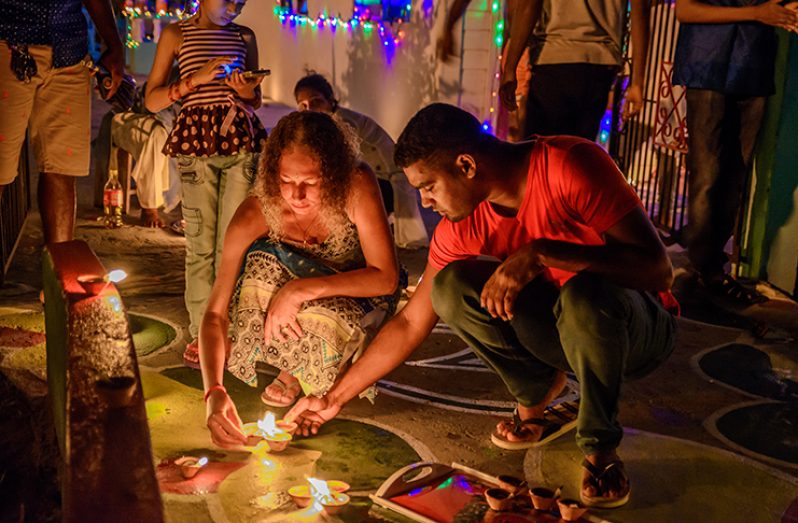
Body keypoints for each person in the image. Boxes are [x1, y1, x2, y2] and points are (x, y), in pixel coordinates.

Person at [286, 104, 678, 509]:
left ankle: (600, 448)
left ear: (467, 165)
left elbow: (658, 271)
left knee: (583, 294)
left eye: (429, 186)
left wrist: (543, 253)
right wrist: (333, 398)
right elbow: (410, 323)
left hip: (635, 333)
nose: (425, 202)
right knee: (451, 287)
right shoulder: (461, 225)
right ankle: (536, 396)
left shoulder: (569, 165)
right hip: (568, 334)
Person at [200, 111, 400, 447]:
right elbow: (215, 313)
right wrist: (214, 392)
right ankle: (291, 366)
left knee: (322, 312)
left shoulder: (356, 186)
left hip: (354, 296)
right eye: (286, 181)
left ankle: (309, 378)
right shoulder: (256, 211)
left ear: (334, 175)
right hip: (289, 299)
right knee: (258, 269)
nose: (297, 195)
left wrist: (299, 290)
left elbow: (386, 278)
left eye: (311, 182)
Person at [144, 0, 268, 367]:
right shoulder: (176, 34)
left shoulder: (243, 36)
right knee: (201, 245)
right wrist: (194, 81)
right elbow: (151, 99)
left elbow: (256, 101)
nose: (234, 6)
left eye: (241, 1)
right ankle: (202, 329)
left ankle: (227, 326)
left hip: (240, 144)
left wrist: (246, 90)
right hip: (196, 147)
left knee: (234, 246)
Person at [673, 0, 798, 306]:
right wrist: (757, 13)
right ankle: (702, 268)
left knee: (735, 177)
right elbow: (684, 10)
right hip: (707, 63)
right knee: (707, 174)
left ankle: (710, 269)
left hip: (753, 66)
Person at [0, 0, 125, 244]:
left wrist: (115, 45)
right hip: (8, 44)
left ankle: (57, 274)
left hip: (68, 53)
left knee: (63, 170)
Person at [294, 73, 429, 249]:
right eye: (303, 106)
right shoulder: (324, 123)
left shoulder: (343, 121)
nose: (310, 109)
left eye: (316, 101)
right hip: (375, 174)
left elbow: (340, 161)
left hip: (388, 180)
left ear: (331, 100)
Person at [500, 0, 650, 140]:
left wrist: (510, 67)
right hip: (600, 62)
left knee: (542, 154)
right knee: (578, 155)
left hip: (554, 55)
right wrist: (637, 82)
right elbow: (640, 11)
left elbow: (529, 5)